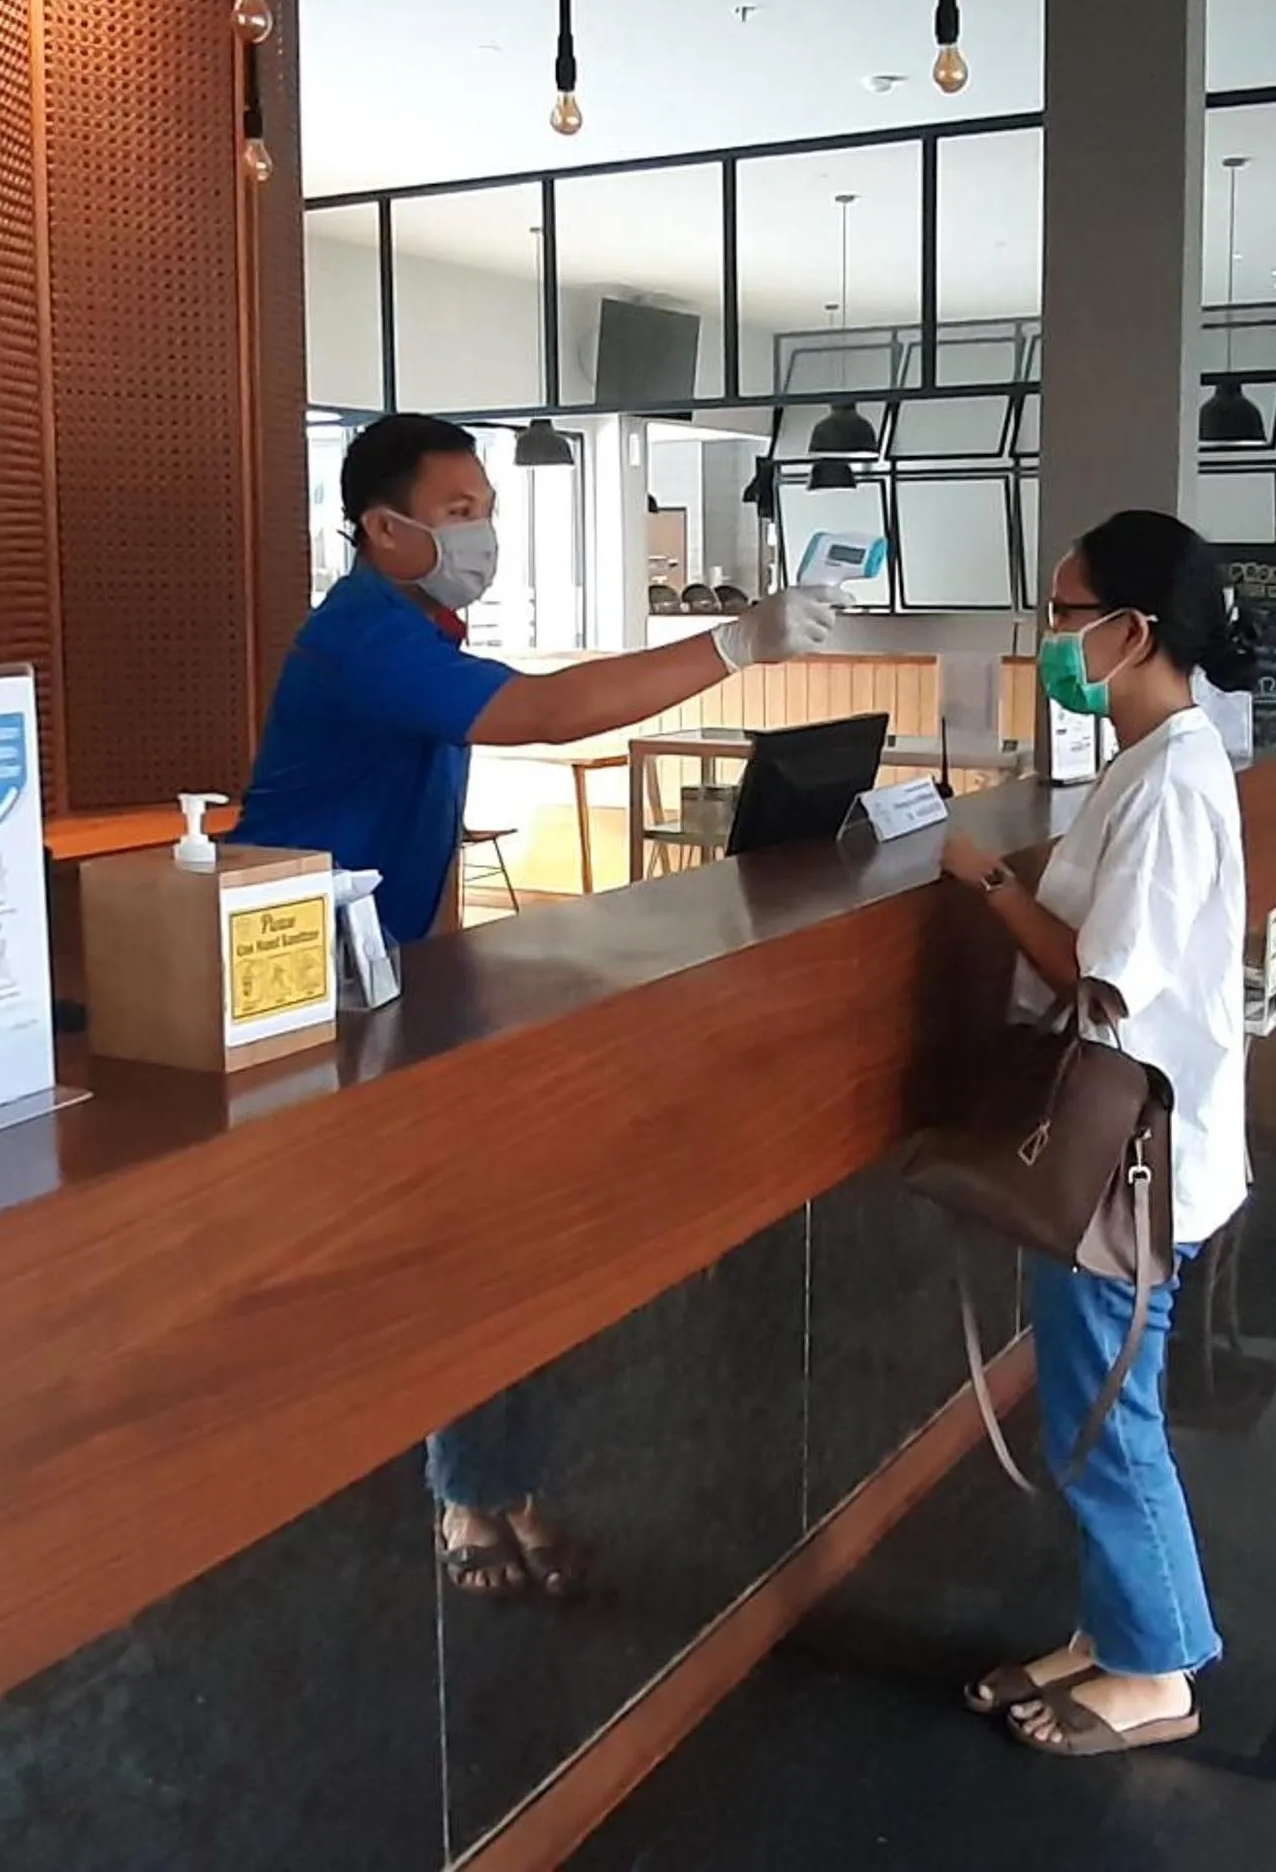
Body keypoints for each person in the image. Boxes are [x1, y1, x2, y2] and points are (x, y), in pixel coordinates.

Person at [236, 412, 843, 1595]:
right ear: (381, 529)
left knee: (475, 1228)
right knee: (435, 1240)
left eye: (487, 509)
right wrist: (735, 642)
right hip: (295, 986)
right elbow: (547, 712)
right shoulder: (364, 634)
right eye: (458, 511)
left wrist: (448, 972)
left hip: (385, 974)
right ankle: (467, 1490)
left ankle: (487, 1482)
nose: (483, 532)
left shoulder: (422, 626)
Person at [936, 509, 1255, 1756]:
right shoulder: (1151, 756)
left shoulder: (1171, 777)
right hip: (1123, 1152)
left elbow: (1102, 977)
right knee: (1089, 1403)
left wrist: (988, 883)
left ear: (1133, 629)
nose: (1051, 634)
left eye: (1066, 612)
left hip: (1127, 1160)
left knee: (1105, 1417)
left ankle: (1158, 1666)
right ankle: (1114, 1630)